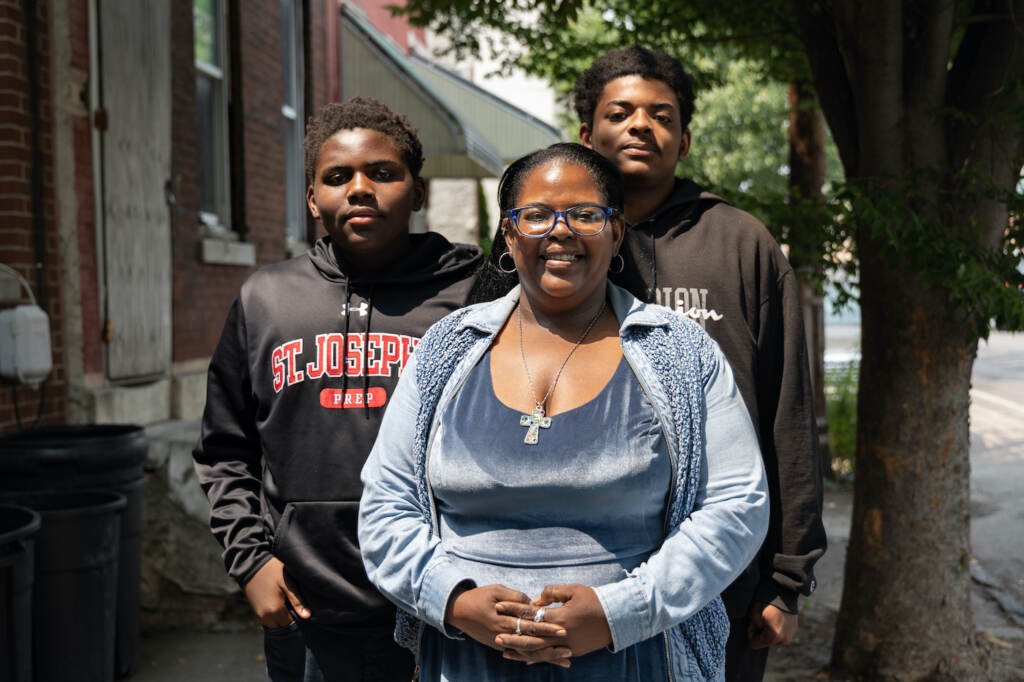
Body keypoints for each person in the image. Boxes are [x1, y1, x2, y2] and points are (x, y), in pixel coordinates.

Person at [471, 47, 827, 682]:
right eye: (621, 112)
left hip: (720, 572)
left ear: (684, 140)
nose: (641, 125)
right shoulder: (538, 247)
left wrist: (786, 578)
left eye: (661, 115)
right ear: (587, 133)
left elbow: (788, 409)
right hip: (561, 577)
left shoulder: (740, 244)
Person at [358, 142, 769, 680]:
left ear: (616, 232)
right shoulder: (447, 349)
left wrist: (618, 612)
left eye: (585, 214)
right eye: (536, 215)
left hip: (635, 660)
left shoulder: (679, 352)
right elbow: (384, 506)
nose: (560, 230)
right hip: (466, 662)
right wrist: (453, 600)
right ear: (508, 234)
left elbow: (736, 506)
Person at [192, 97, 482, 682]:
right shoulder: (266, 299)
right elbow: (226, 448)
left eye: (382, 173)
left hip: (439, 602)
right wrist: (251, 564)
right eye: (337, 176)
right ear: (311, 197)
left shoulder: (473, 294)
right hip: (306, 608)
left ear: (418, 192)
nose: (359, 188)